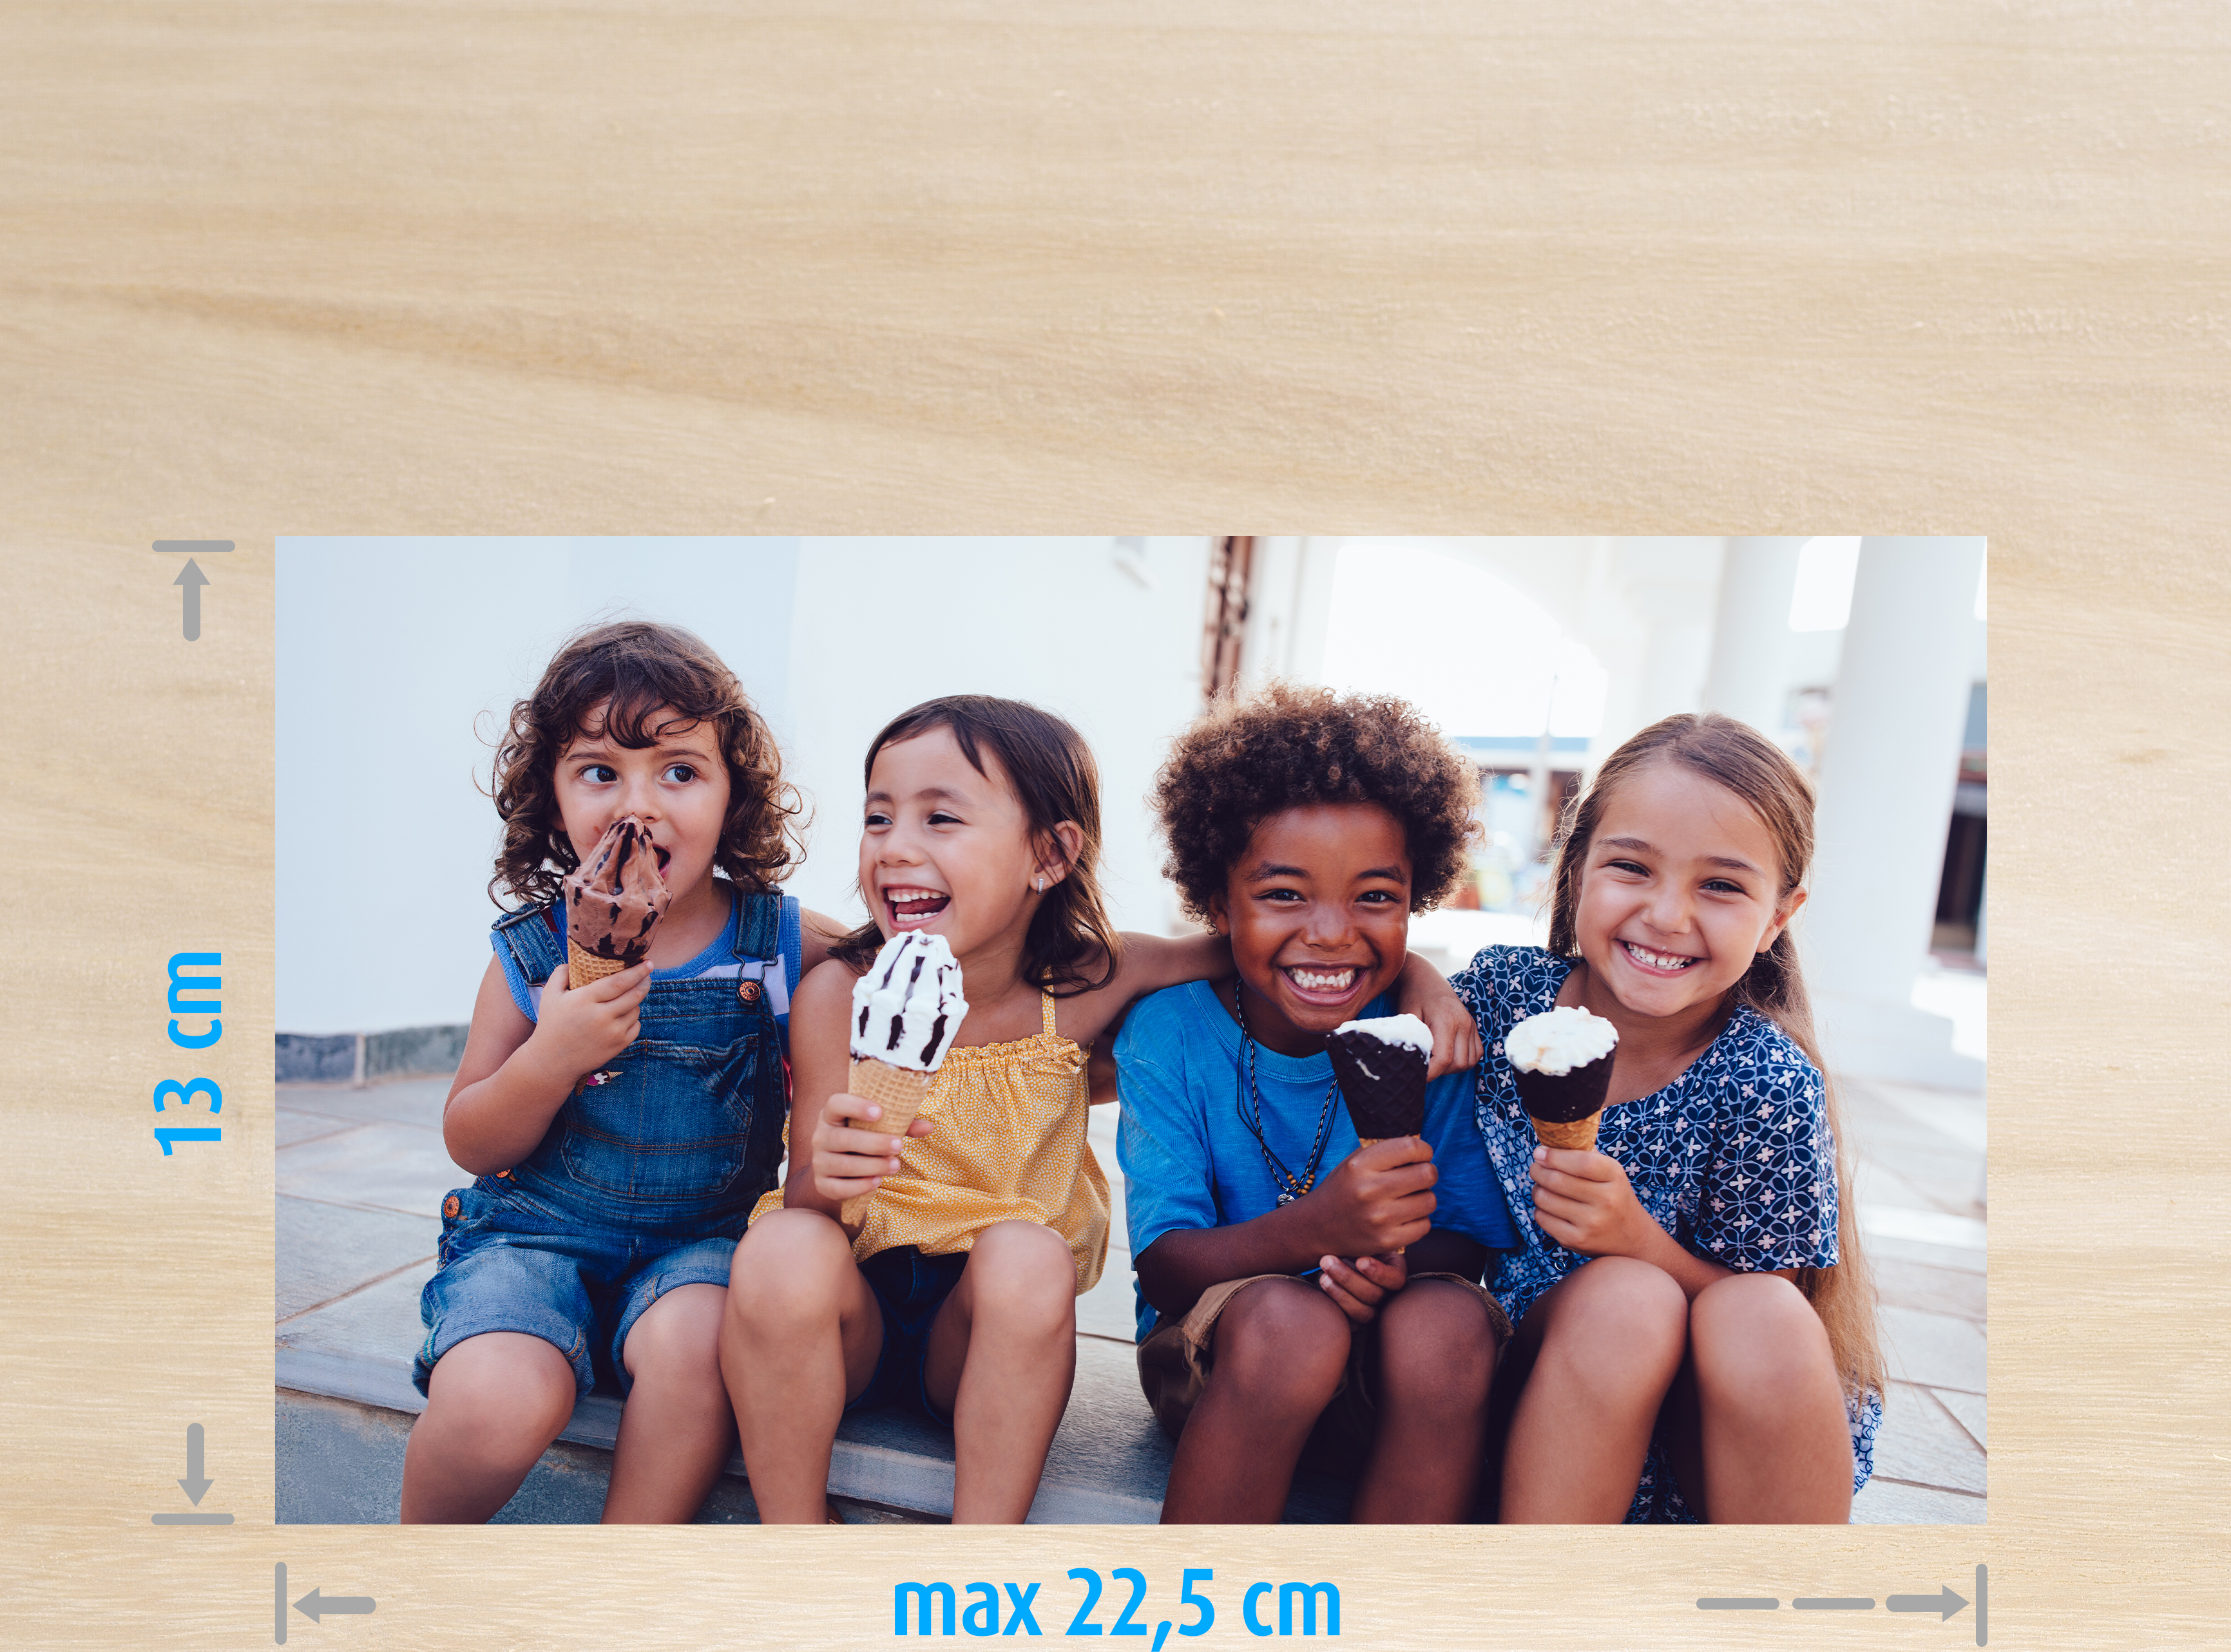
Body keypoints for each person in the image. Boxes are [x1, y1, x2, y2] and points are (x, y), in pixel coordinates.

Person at [722, 696, 1473, 1526]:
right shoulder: (842, 994)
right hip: (848, 1314)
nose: (896, 847)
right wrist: (828, 1180)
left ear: (1050, 855)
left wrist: (1421, 978)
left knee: (1029, 1256)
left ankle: (982, 1563)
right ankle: (794, 1538)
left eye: (940, 819)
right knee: (783, 1244)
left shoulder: (1087, 986)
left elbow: (1273, 947)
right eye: (878, 818)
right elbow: (812, 1216)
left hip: (983, 1329)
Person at [404, 622, 818, 1523]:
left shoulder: (774, 941)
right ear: (552, 800)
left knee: (705, 1343)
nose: (640, 806)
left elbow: (907, 957)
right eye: (600, 771)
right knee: (493, 1401)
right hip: (530, 1237)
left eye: (679, 770)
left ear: (730, 794)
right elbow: (470, 1136)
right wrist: (550, 1057)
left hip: (698, 1247)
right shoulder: (531, 951)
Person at [1454, 713, 1886, 1524]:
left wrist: (1638, 1242)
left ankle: (1789, 1613)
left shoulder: (1766, 1081)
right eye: (1632, 867)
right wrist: (1413, 981)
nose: (1666, 915)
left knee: (1754, 1310)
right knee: (1624, 1304)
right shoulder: (1501, 999)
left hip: (1702, 1448)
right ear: (1577, 869)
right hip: (1535, 1400)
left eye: (1721, 885)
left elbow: (1767, 1310)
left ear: (1779, 917)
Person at [1119, 688, 1517, 1524]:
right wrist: (1316, 1233)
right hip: (1227, 1360)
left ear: (1417, 899)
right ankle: (1194, 1628)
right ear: (1218, 901)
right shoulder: (1171, 1035)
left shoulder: (1431, 1040)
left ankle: (1381, 1620)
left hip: (1383, 1373)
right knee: (1290, 1325)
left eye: (1374, 897)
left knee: (1451, 1322)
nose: (1332, 932)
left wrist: (1389, 1270)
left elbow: (1463, 1241)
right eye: (1285, 895)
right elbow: (1164, 1265)